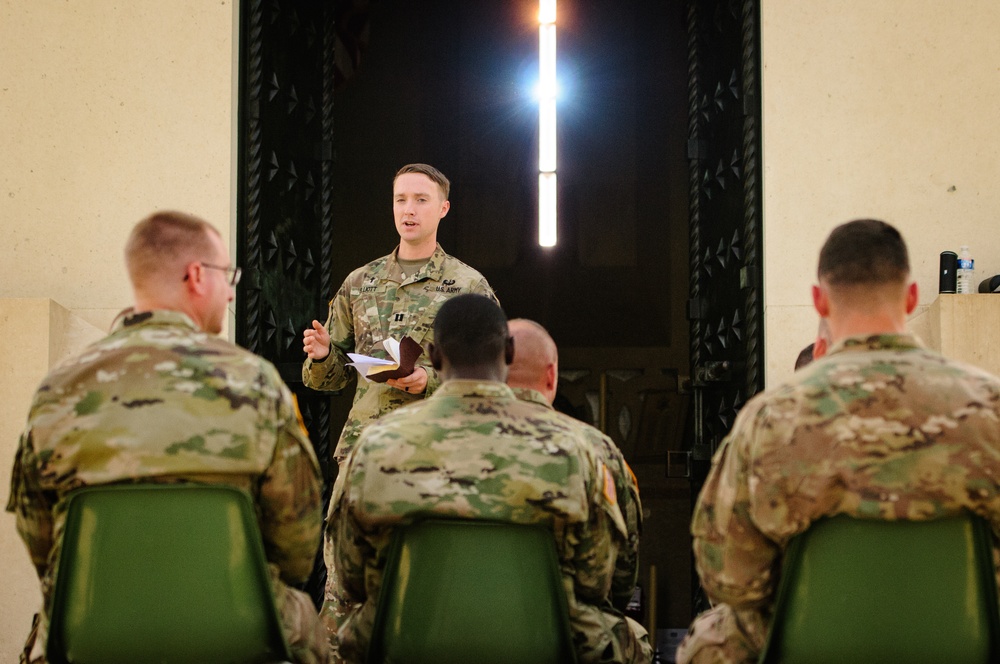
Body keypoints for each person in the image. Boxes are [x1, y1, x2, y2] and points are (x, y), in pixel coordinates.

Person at [6, 211, 328, 664]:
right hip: (232, 629)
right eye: (228, 275)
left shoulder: (58, 387)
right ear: (197, 276)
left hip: (90, 629)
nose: (233, 290)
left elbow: (38, 536)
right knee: (308, 621)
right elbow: (297, 548)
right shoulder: (255, 382)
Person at [675, 218, 1000, 664]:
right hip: (967, 646)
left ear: (818, 300)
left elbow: (727, 578)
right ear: (911, 297)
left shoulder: (770, 418)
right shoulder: (990, 406)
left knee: (708, 640)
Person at [325, 294, 652, 663]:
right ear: (508, 352)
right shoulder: (581, 451)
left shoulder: (374, 446)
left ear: (433, 356)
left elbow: (350, 576)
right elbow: (605, 584)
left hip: (407, 647)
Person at [301, 163, 497, 464]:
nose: (409, 210)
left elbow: (491, 374)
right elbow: (327, 381)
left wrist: (428, 380)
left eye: (421, 199)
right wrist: (323, 355)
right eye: (400, 199)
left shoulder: (468, 285)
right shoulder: (360, 281)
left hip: (438, 452)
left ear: (443, 208)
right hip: (366, 449)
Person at [506, 317, 644, 612]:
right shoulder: (598, 450)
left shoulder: (436, 442)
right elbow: (620, 581)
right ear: (552, 375)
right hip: (564, 633)